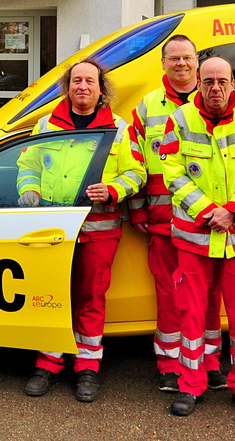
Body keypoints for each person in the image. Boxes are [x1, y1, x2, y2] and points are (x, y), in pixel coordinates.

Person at [20, 59, 145, 403]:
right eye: (77, 81)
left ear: (101, 89)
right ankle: (48, 363)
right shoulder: (46, 124)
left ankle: (87, 367)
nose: (83, 87)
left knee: (91, 299)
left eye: (90, 81)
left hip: (99, 228)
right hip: (52, 229)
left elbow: (136, 174)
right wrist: (28, 189)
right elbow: (26, 165)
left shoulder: (120, 128)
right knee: (51, 298)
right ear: (67, 86)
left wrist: (114, 190)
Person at [158, 56, 235, 418]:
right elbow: (172, 172)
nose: (215, 89)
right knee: (191, 314)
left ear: (232, 85)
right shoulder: (179, 120)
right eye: (207, 81)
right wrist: (208, 211)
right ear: (197, 81)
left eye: (221, 81)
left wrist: (234, 210)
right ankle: (191, 385)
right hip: (195, 236)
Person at [129, 35, 227, 394]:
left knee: (210, 294)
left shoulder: (217, 102)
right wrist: (136, 209)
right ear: (163, 63)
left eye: (187, 58)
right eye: (174, 58)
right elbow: (136, 163)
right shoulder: (148, 107)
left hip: (208, 222)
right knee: (170, 295)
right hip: (161, 220)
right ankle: (171, 363)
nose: (181, 64)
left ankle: (210, 361)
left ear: (197, 63)